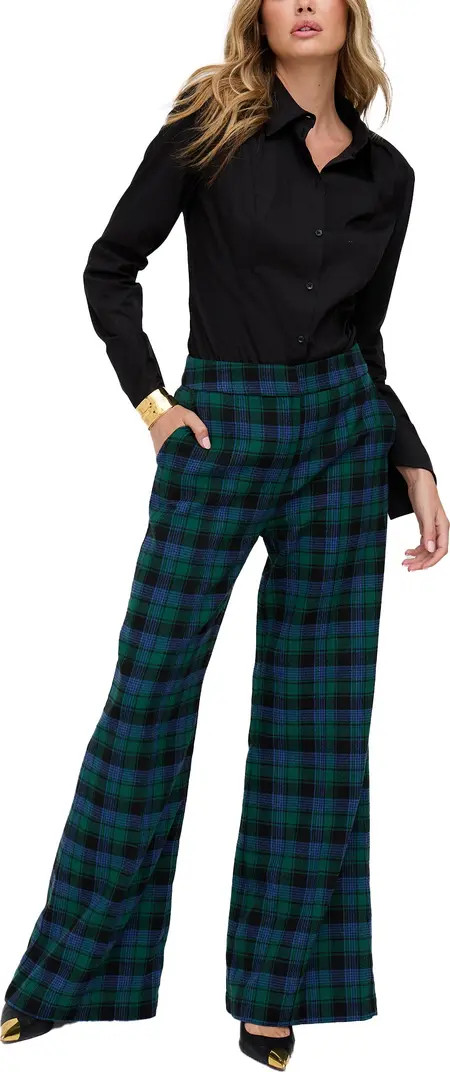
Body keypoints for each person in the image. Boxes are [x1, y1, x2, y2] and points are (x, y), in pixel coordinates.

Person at [2, 0, 447, 1065]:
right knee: (149, 694)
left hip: (342, 434)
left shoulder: (389, 176)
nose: (305, 4)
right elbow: (111, 264)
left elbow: (366, 338)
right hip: (222, 423)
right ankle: (73, 975)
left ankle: (277, 988)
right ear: (261, 14)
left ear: (351, 15)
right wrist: (155, 406)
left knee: (317, 719)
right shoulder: (210, 127)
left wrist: (413, 457)